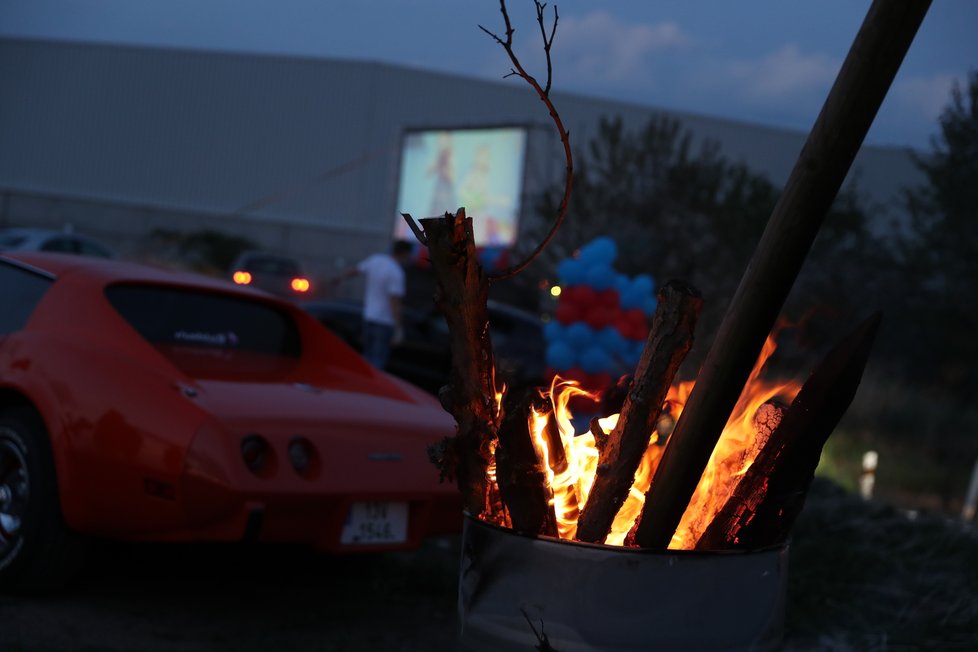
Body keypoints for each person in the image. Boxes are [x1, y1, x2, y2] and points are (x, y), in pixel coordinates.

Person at [332, 240, 414, 369]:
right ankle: (371, 386)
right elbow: (395, 302)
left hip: (369, 317)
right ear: (405, 254)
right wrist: (398, 329)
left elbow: (356, 270)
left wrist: (339, 278)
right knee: (378, 360)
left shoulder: (376, 260)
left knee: (367, 355)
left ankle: (362, 384)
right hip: (384, 322)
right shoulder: (397, 273)